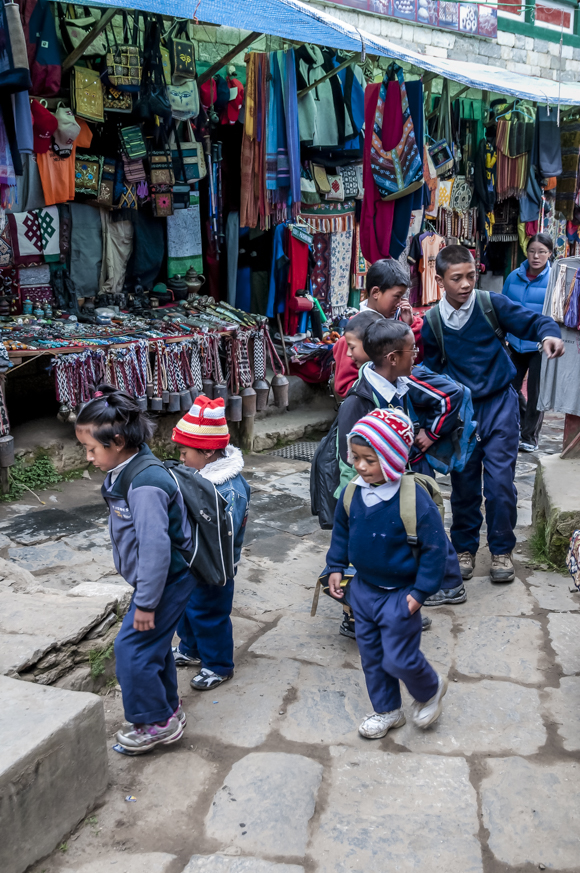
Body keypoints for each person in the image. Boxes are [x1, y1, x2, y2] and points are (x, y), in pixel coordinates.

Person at [422, 244, 564, 583]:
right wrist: (432, 422)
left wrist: (548, 336)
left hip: (500, 403)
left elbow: (534, 321)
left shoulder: (490, 304)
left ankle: (501, 550)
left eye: (471, 275)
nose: (466, 284)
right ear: (440, 279)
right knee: (464, 483)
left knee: (500, 483)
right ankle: (464, 548)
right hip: (463, 415)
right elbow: (430, 371)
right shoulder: (432, 322)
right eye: (456, 278)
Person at [75, 386, 196, 755]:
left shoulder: (145, 485)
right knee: (153, 647)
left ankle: (154, 723)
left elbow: (157, 550)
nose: (88, 457)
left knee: (130, 649)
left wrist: (145, 603)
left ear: (115, 441)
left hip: (164, 583)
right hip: (162, 582)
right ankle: (168, 710)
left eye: (91, 449)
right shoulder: (128, 467)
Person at [326, 408, 448, 739]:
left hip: (400, 595)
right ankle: (387, 710)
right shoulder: (353, 493)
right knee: (373, 658)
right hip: (363, 591)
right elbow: (341, 532)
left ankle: (428, 690)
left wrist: (419, 593)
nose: (360, 466)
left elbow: (437, 550)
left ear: (393, 458)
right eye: (357, 457)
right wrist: (334, 567)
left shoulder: (414, 500)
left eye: (369, 460)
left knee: (399, 658)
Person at [171, 395, 251, 690]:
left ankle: (218, 665)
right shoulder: (201, 475)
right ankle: (190, 649)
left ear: (206, 453)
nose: (181, 458)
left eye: (184, 452)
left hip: (215, 567)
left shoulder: (231, 491)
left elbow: (222, 535)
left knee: (210, 614)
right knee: (189, 608)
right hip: (194, 561)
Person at [333, 259, 423, 399]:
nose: (401, 303)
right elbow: (344, 386)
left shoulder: (401, 321)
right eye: (396, 296)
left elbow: (415, 358)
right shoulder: (356, 333)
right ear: (376, 292)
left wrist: (408, 327)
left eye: (402, 297)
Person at [502, 233, 554, 452]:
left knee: (535, 392)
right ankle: (522, 420)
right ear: (526, 251)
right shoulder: (513, 276)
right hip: (514, 342)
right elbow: (503, 307)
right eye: (532, 251)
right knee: (509, 388)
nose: (536, 256)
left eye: (542, 252)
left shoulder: (553, 280)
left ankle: (529, 436)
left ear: (550, 254)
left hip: (539, 346)